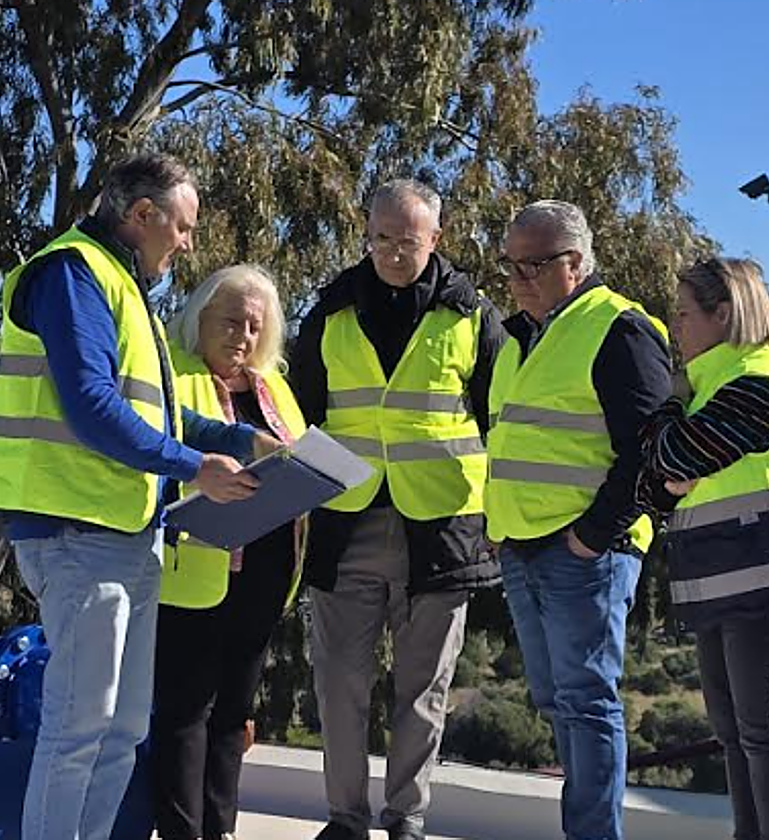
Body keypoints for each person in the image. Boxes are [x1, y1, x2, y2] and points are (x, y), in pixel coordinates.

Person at [0, 153, 276, 840]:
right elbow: (91, 407)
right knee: (80, 729)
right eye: (185, 226)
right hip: (76, 532)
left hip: (124, 534)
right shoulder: (72, 272)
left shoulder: (122, 287)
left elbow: (156, 417)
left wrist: (240, 439)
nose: (188, 243)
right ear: (143, 216)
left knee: (120, 731)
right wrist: (198, 467)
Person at [292, 179, 506, 840]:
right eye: (380, 238)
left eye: (406, 241)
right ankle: (345, 821)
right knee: (340, 687)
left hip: (441, 529)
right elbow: (299, 418)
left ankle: (406, 820)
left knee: (423, 691)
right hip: (344, 522)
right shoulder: (329, 311)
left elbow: (503, 422)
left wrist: (497, 521)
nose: (390, 252)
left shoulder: (474, 315)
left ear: (435, 240)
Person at [483, 200, 672, 840]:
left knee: (588, 704)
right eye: (510, 265)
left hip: (585, 551)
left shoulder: (619, 328)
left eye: (532, 265)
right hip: (524, 547)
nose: (517, 279)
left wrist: (592, 536)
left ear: (575, 261)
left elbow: (648, 454)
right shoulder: (518, 336)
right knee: (555, 701)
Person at [639, 257, 769, 840]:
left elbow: (671, 458)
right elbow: (656, 478)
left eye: (682, 314)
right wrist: (672, 445)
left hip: (767, 587)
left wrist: (671, 415)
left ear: (722, 314)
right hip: (723, 584)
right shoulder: (712, 386)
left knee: (765, 730)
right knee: (735, 733)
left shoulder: (759, 380)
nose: (675, 326)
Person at [152, 265, 308, 840]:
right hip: (193, 572)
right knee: (183, 715)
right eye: (230, 321)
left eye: (253, 326)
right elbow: (165, 440)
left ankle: (221, 830)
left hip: (265, 573)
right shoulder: (172, 373)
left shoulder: (275, 388)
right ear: (198, 320)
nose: (241, 336)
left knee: (231, 718)